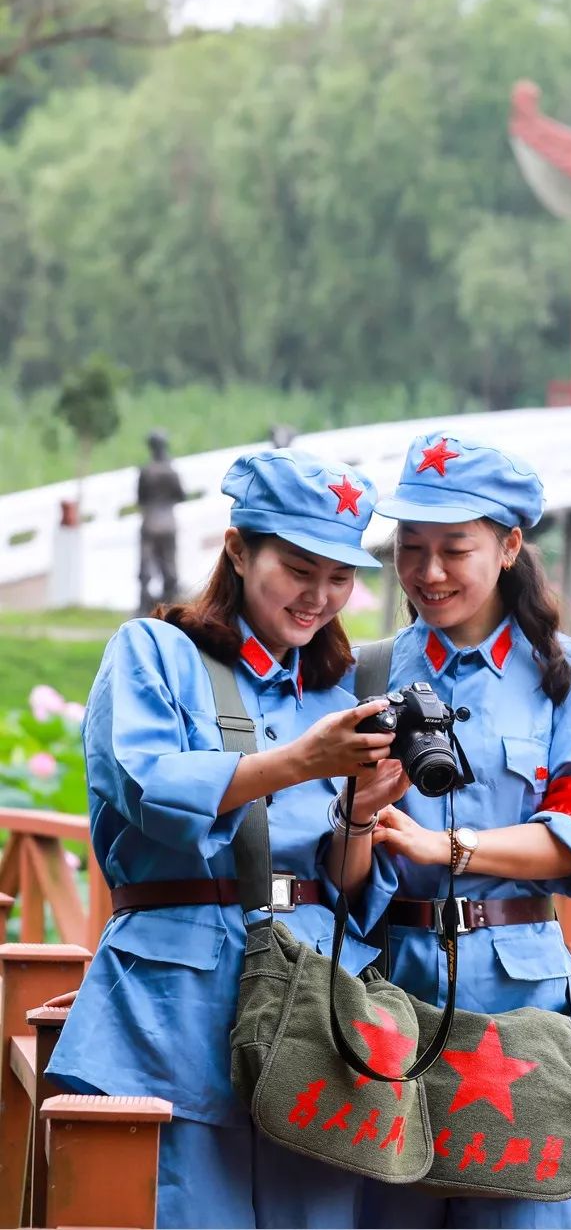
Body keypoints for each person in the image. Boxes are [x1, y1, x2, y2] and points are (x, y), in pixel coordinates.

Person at [47, 447, 410, 1230]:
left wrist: (360, 816)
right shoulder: (153, 652)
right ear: (239, 550)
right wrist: (300, 761)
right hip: (175, 1003)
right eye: (299, 569)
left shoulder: (341, 694)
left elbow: (347, 886)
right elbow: (148, 789)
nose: (319, 597)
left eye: (339, 577)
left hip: (318, 1008)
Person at [351, 432, 571, 1230]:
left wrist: (445, 848)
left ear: (509, 547)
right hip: (389, 997)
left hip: (521, 1006)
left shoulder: (568, 673)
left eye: (455, 549)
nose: (429, 572)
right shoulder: (364, 672)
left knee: (529, 1213)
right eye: (411, 548)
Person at [137, 428, 187, 613]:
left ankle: (143, 605)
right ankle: (169, 604)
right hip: (168, 522)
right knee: (169, 564)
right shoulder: (171, 471)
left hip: (150, 522)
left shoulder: (145, 471)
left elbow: (140, 498)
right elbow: (181, 495)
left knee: (145, 565)